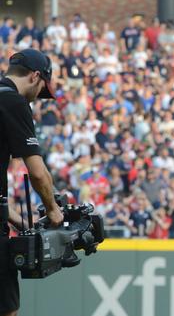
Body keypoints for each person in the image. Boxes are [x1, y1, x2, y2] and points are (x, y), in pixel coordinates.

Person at [0, 49, 64, 316]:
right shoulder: (12, 102)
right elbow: (37, 173)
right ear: (36, 76)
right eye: (42, 89)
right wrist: (53, 209)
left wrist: (19, 221)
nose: (39, 96)